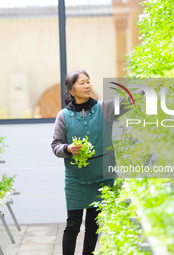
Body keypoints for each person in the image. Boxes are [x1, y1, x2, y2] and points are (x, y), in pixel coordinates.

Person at [51, 70, 129, 255]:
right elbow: (56, 145)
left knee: (93, 226)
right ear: (71, 90)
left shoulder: (104, 108)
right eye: (82, 83)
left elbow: (129, 103)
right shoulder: (63, 116)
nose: (87, 86)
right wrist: (68, 149)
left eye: (88, 82)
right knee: (73, 225)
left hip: (102, 177)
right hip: (76, 179)